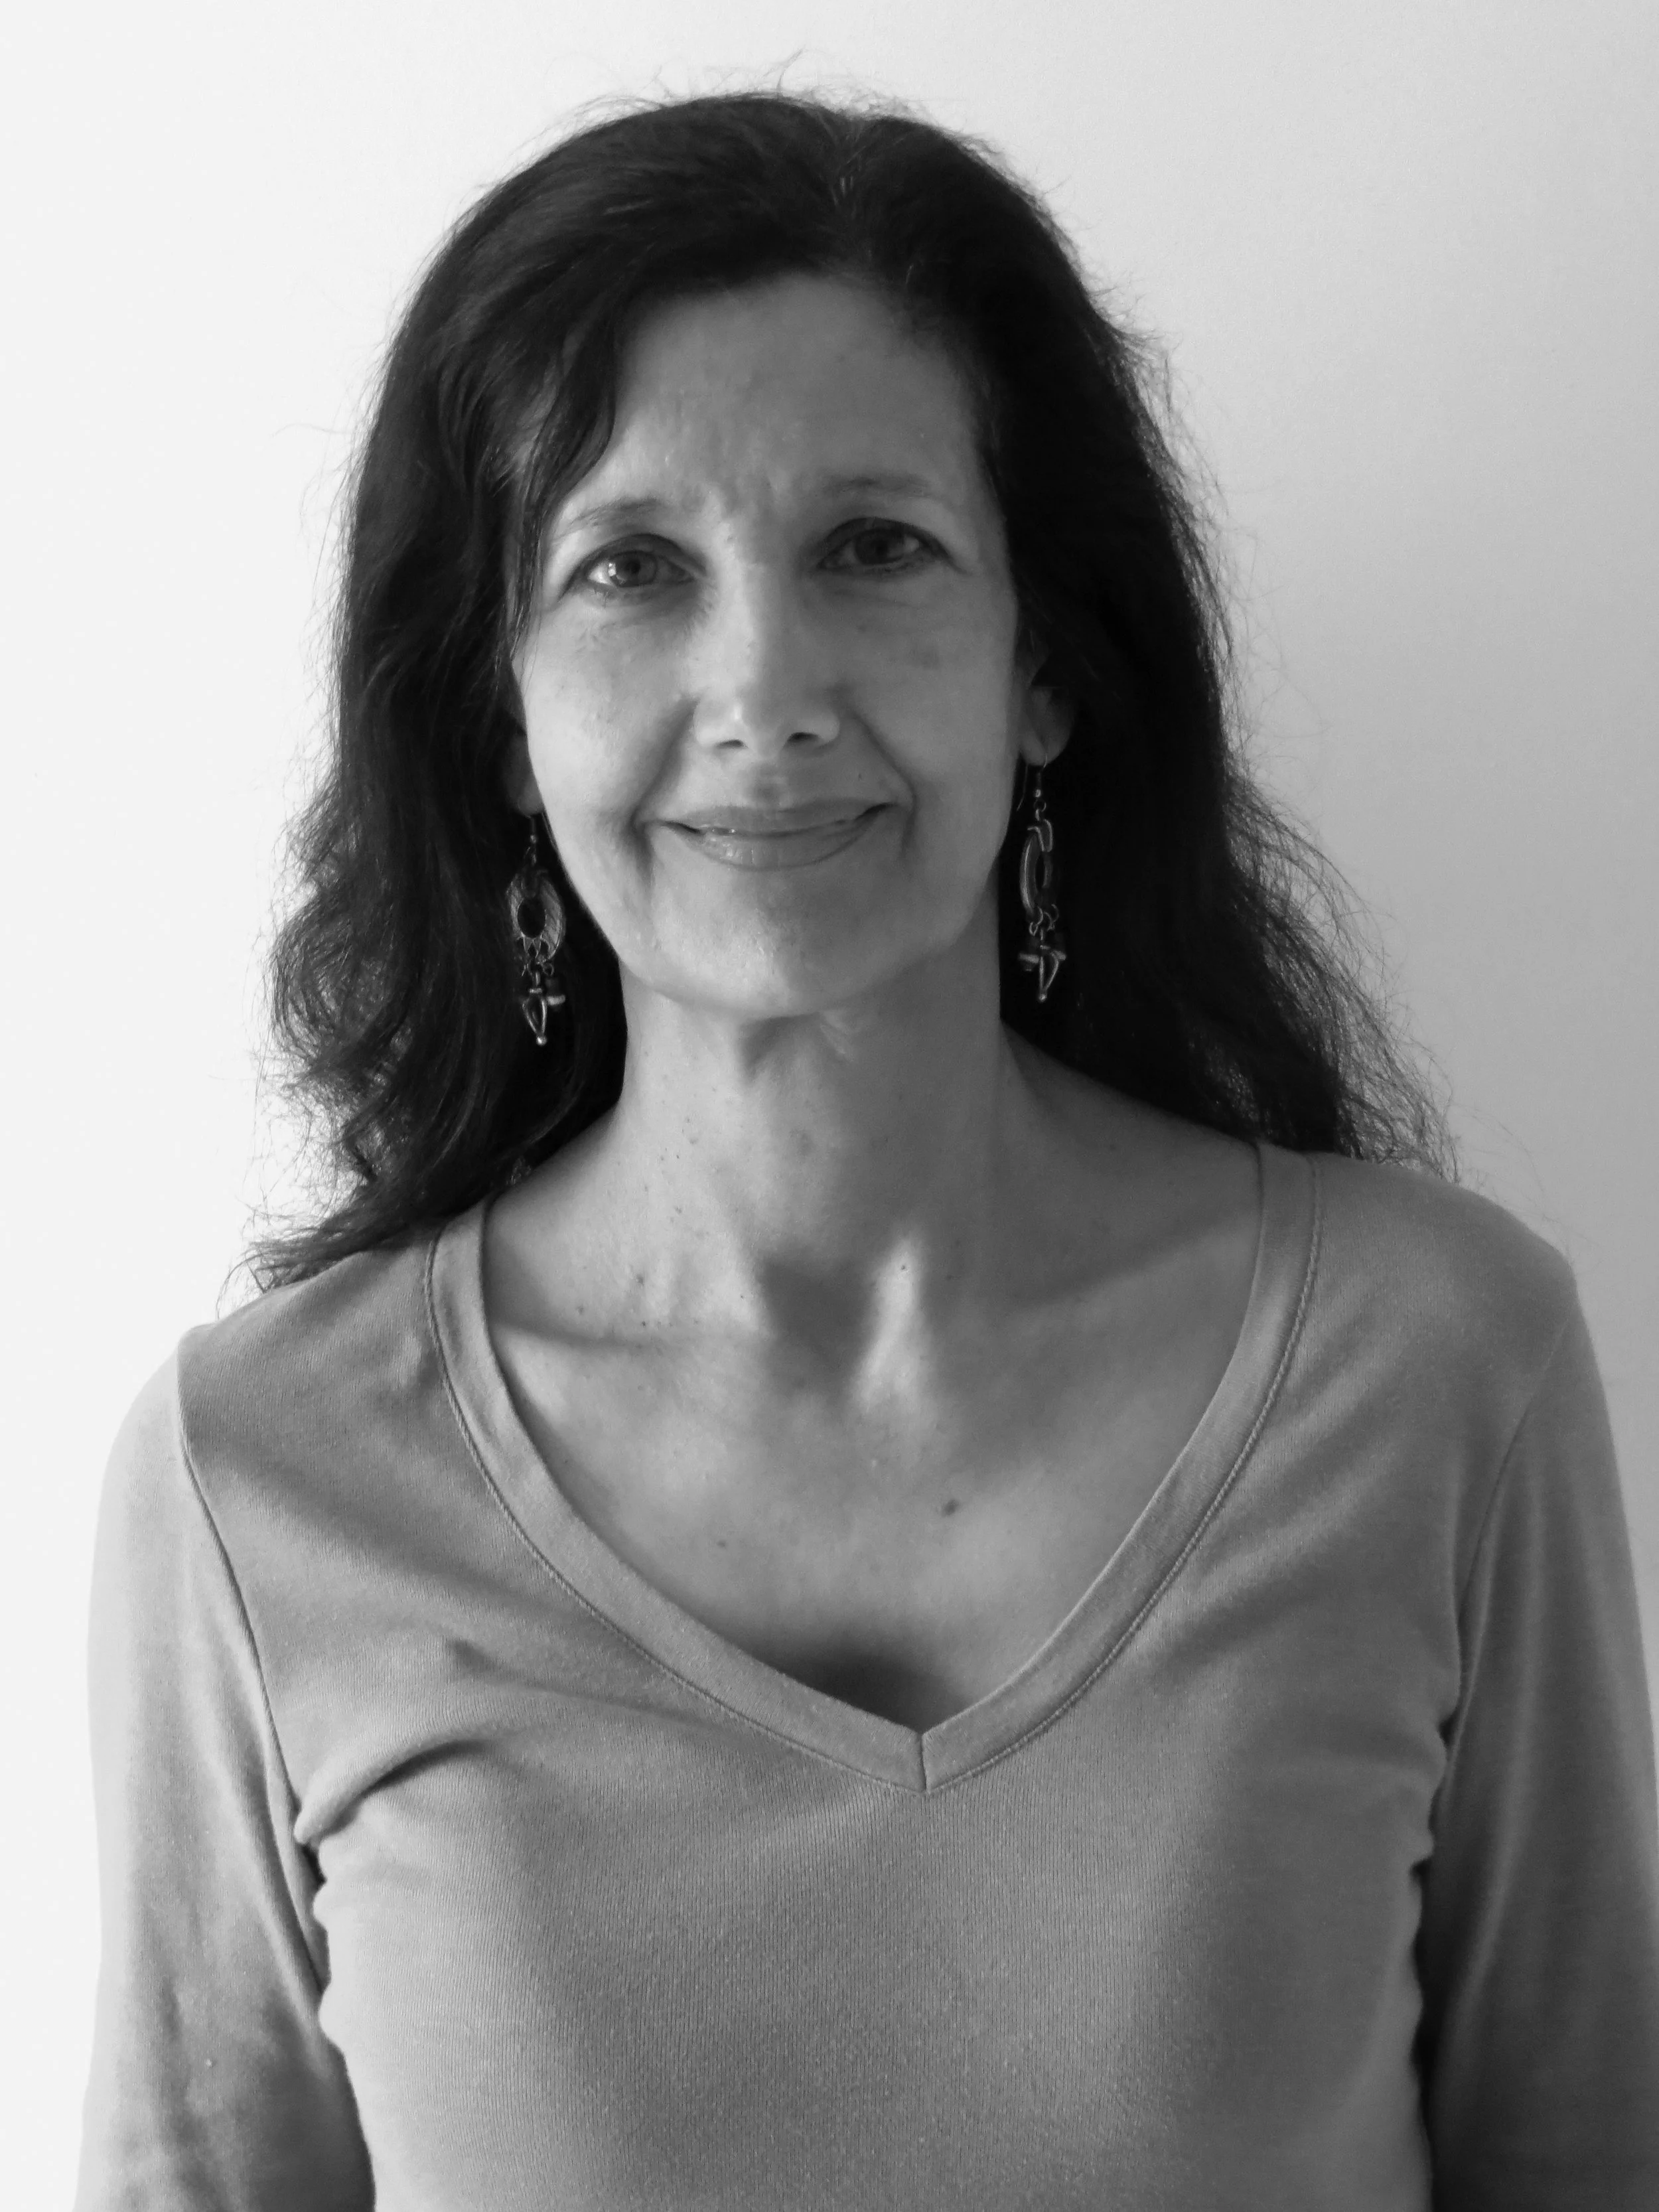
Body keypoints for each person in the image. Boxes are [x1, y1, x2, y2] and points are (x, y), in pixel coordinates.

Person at [76, 89, 1658, 2211]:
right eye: (631, 567)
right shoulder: (260, 1481)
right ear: (496, 711)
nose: (766, 684)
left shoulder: (1441, 1366)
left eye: (873, 547)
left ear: (1043, 669)